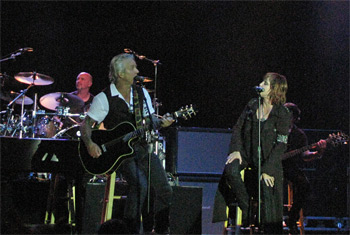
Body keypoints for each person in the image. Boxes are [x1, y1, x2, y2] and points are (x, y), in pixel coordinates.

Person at [80, 53, 174, 234]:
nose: (137, 71)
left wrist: (162, 122)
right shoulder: (104, 98)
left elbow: (149, 121)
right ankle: (130, 231)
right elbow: (86, 124)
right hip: (119, 154)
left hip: (142, 149)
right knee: (140, 187)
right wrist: (90, 143)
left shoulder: (141, 93)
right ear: (121, 74)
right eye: (133, 68)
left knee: (165, 189)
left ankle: (160, 230)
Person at [213, 72, 292, 234]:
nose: (261, 85)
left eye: (265, 83)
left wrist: (267, 170)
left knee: (267, 184)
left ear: (274, 89)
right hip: (247, 154)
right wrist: (236, 150)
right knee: (231, 169)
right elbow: (237, 128)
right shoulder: (252, 105)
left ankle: (269, 227)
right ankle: (248, 210)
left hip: (269, 159)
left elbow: (281, 145)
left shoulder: (283, 113)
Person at [283, 102, 326, 234]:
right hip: (271, 166)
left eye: (289, 116)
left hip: (289, 167)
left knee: (304, 185)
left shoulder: (299, 135)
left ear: (294, 118)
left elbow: (305, 156)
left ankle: (292, 218)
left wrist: (319, 152)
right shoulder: (272, 129)